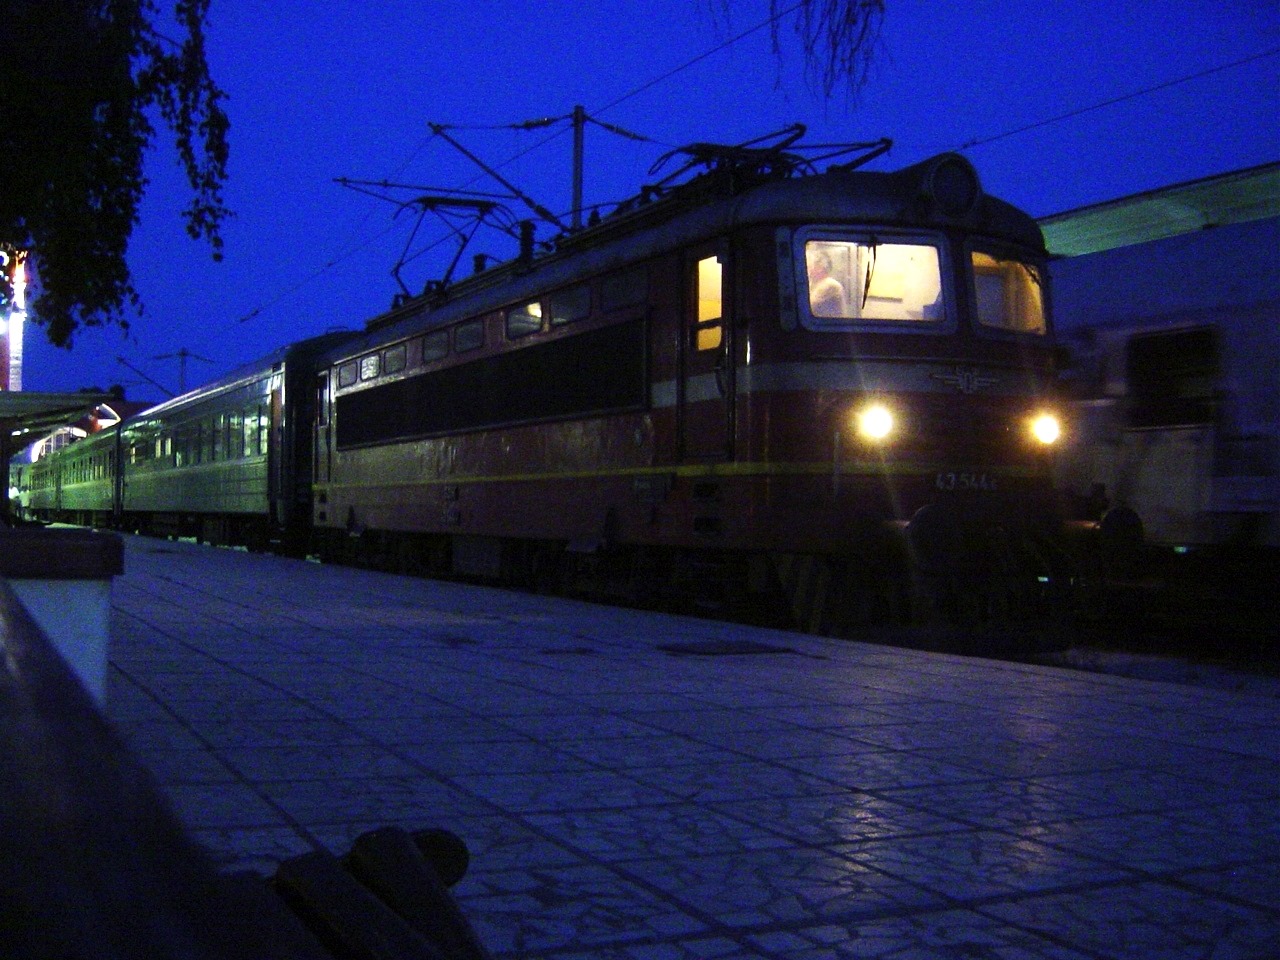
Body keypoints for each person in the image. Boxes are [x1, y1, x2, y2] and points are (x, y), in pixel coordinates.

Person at [807, 249, 846, 317]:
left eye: (810, 266)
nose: (809, 270)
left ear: (820, 268)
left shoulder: (830, 285)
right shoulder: (815, 283)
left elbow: (808, 305)